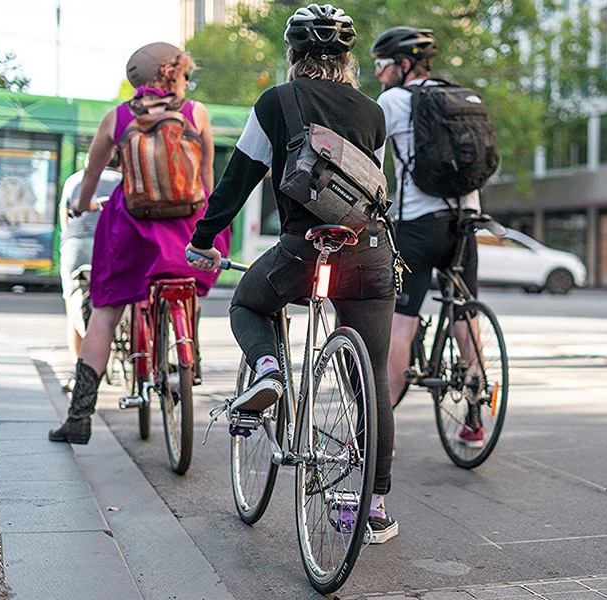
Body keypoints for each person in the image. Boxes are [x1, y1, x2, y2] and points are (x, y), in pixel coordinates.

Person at [185, 4, 398, 544]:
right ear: (348, 59)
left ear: (293, 55)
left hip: (304, 251)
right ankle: (373, 506)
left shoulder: (277, 101)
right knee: (369, 375)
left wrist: (203, 240)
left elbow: (239, 179)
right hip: (369, 251)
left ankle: (267, 371)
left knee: (247, 303)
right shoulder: (373, 111)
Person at [49, 42, 230, 445]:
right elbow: (206, 178)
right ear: (172, 74)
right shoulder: (195, 113)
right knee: (188, 279)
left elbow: (92, 175)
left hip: (132, 228)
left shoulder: (117, 118)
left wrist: (81, 205)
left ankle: (79, 416)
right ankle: (189, 352)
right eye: (184, 72)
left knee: (106, 310)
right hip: (187, 228)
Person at [371, 26, 487, 448]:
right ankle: (474, 419)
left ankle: (376, 432)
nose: (379, 75)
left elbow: (371, 163)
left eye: (382, 66)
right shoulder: (459, 97)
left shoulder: (392, 101)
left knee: (401, 326)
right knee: (465, 316)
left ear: (403, 66)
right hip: (466, 221)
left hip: (418, 225)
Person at [58, 153, 122, 366]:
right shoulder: (123, 181)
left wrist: (67, 242)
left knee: (73, 305)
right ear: (120, 164)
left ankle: (79, 371)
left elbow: (65, 216)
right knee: (113, 301)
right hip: (109, 243)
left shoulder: (74, 179)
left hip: (75, 242)